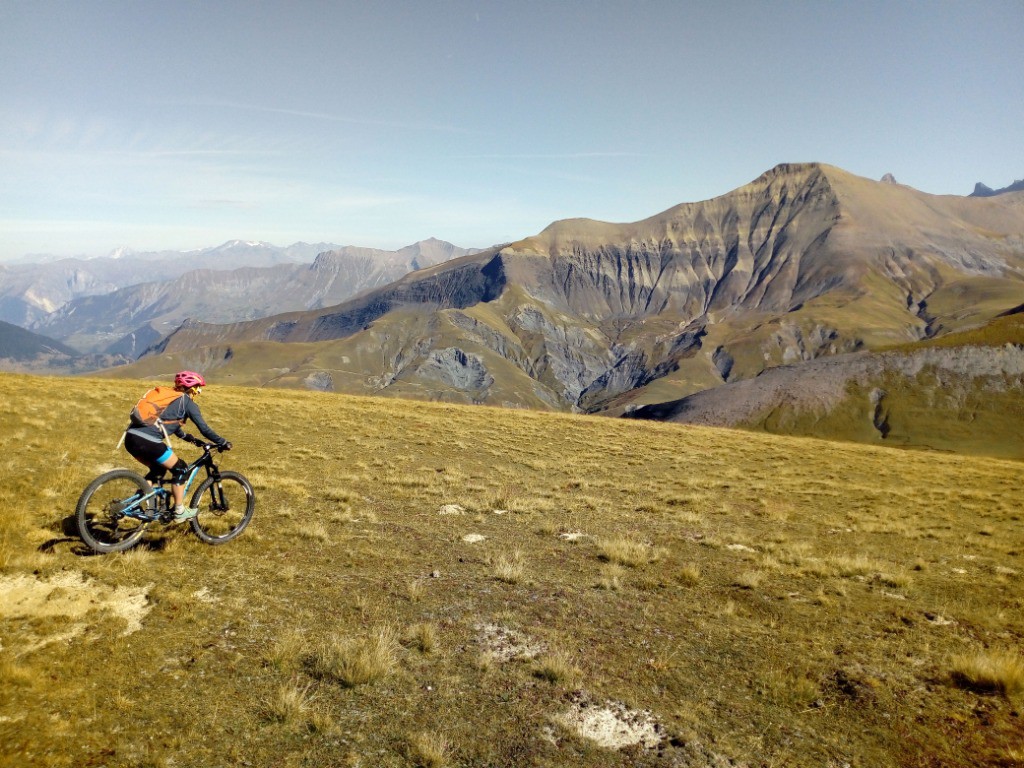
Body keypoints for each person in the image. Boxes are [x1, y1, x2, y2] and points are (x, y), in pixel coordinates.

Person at [122, 370, 232, 522]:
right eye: (198, 387)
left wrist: (189, 438)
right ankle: (179, 511)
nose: (199, 391)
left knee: (158, 469)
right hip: (148, 442)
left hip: (131, 438)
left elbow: (169, 423)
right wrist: (222, 442)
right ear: (192, 387)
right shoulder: (187, 402)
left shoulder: (170, 397)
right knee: (180, 469)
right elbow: (204, 429)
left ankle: (136, 504)